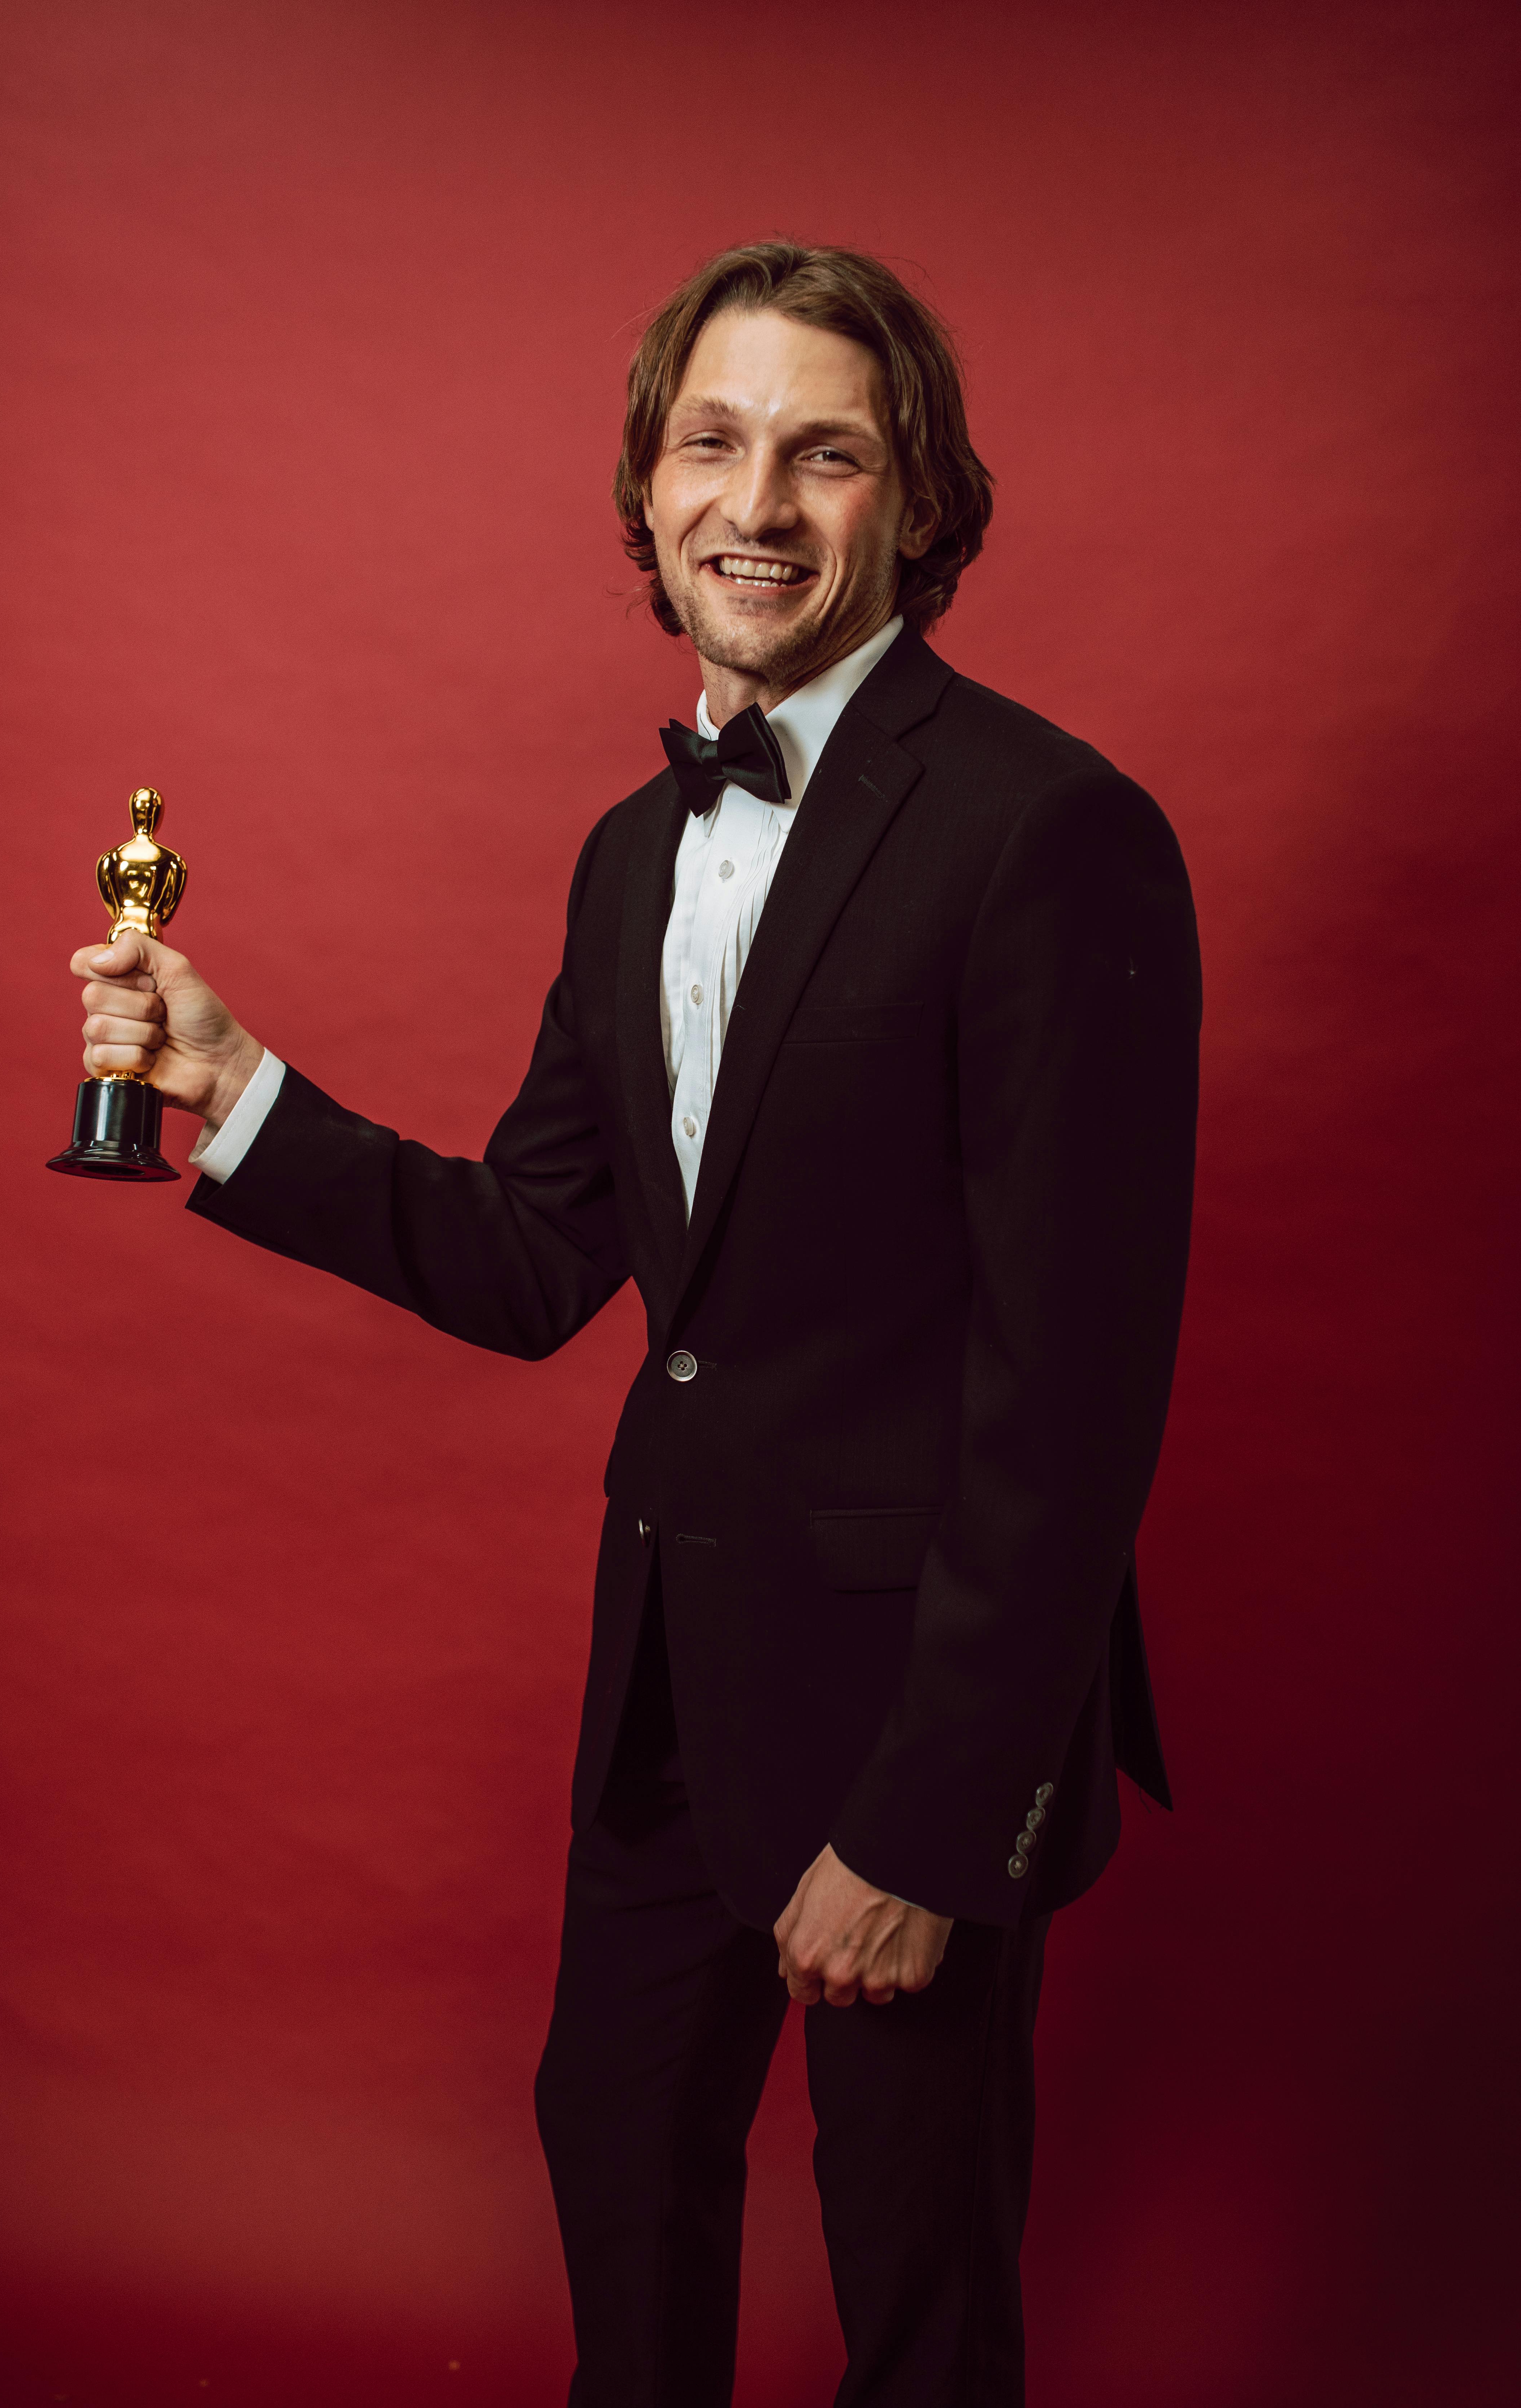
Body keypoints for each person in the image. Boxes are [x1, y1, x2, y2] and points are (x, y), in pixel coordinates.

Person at [69, 240, 1200, 2408]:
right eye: (711, 443)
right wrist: (237, 1100)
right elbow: (529, 1262)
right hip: (671, 1702)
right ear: (647, 492)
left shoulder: (1054, 835)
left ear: (921, 507)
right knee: (616, 2170)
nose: (755, 504)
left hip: (913, 1735)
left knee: (918, 2295)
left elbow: (1077, 1396)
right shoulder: (624, 857)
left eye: (824, 454)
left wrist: (930, 1828)